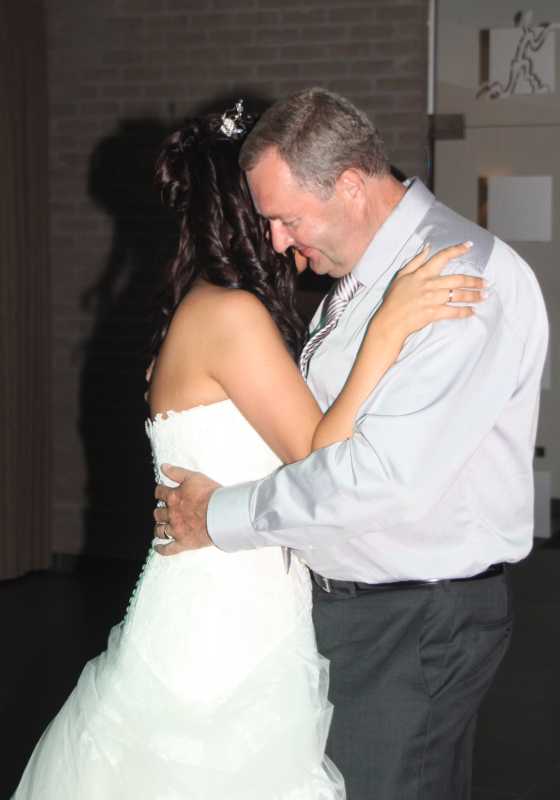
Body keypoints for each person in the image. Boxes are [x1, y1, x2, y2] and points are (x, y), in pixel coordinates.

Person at [12, 107, 482, 800]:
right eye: (275, 212)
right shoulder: (231, 316)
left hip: (222, 596)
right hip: (226, 621)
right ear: (244, 213)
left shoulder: (204, 308)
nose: (288, 229)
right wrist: (387, 328)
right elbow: (318, 453)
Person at [154, 89, 549, 800]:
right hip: (367, 615)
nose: (277, 241)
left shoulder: (456, 280)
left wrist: (218, 516)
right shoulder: (371, 275)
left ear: (349, 186)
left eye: (287, 218)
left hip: (411, 623)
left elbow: (379, 479)